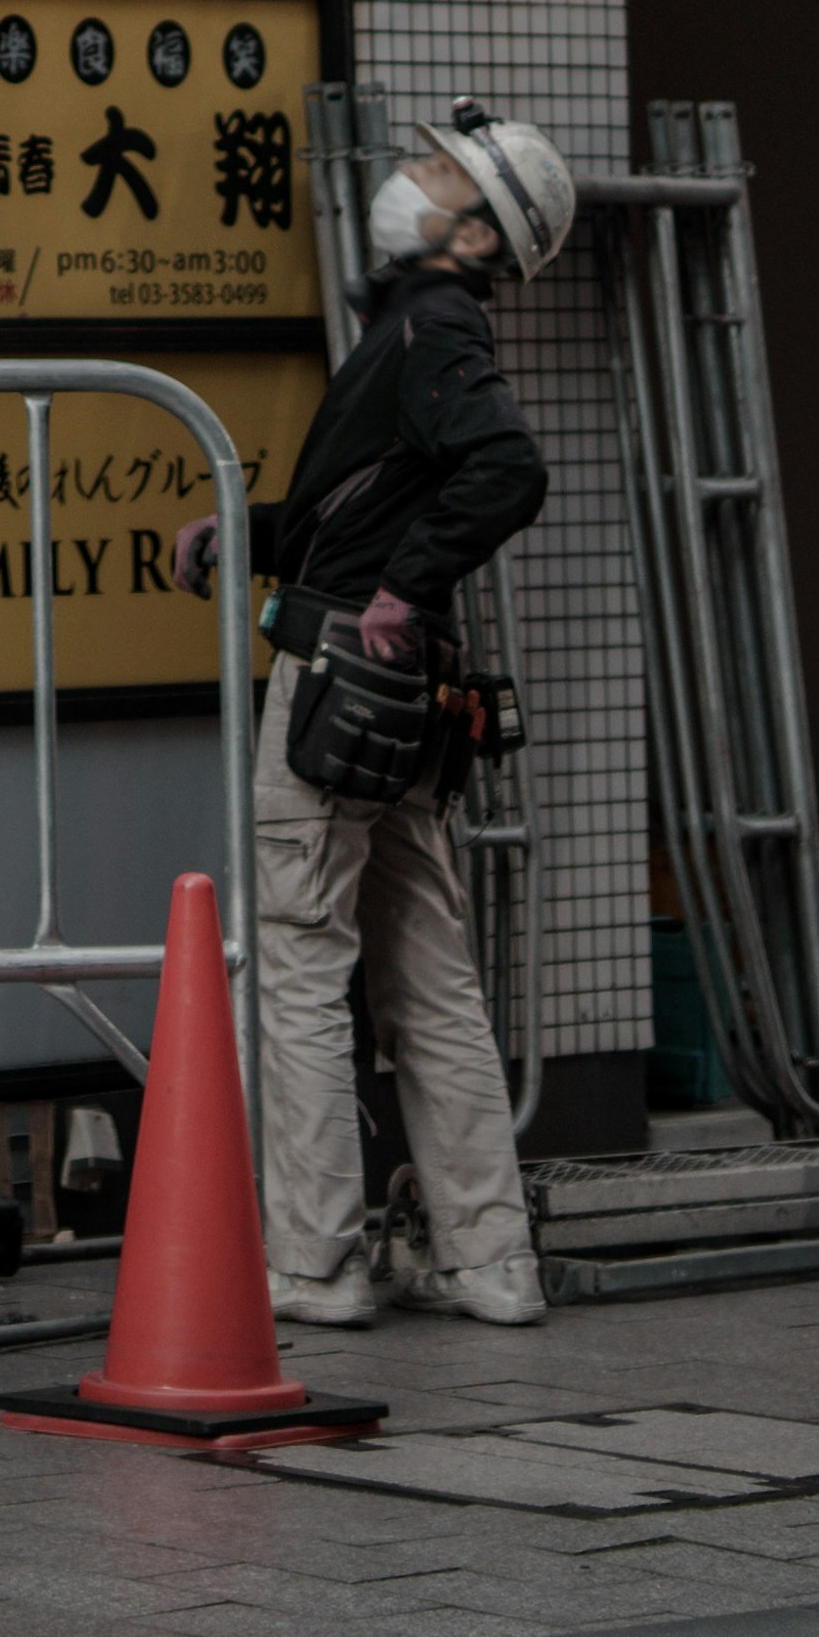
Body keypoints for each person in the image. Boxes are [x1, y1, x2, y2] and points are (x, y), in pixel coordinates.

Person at [174, 100, 574, 1331]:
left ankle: (316, 1261)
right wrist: (255, 538)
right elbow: (373, 503)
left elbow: (507, 466)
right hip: (400, 702)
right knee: (430, 976)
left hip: (336, 687)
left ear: (475, 223)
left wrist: (403, 583)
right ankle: (488, 1257)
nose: (409, 174)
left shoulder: (435, 327)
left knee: (300, 964)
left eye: (438, 166)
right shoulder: (414, 327)